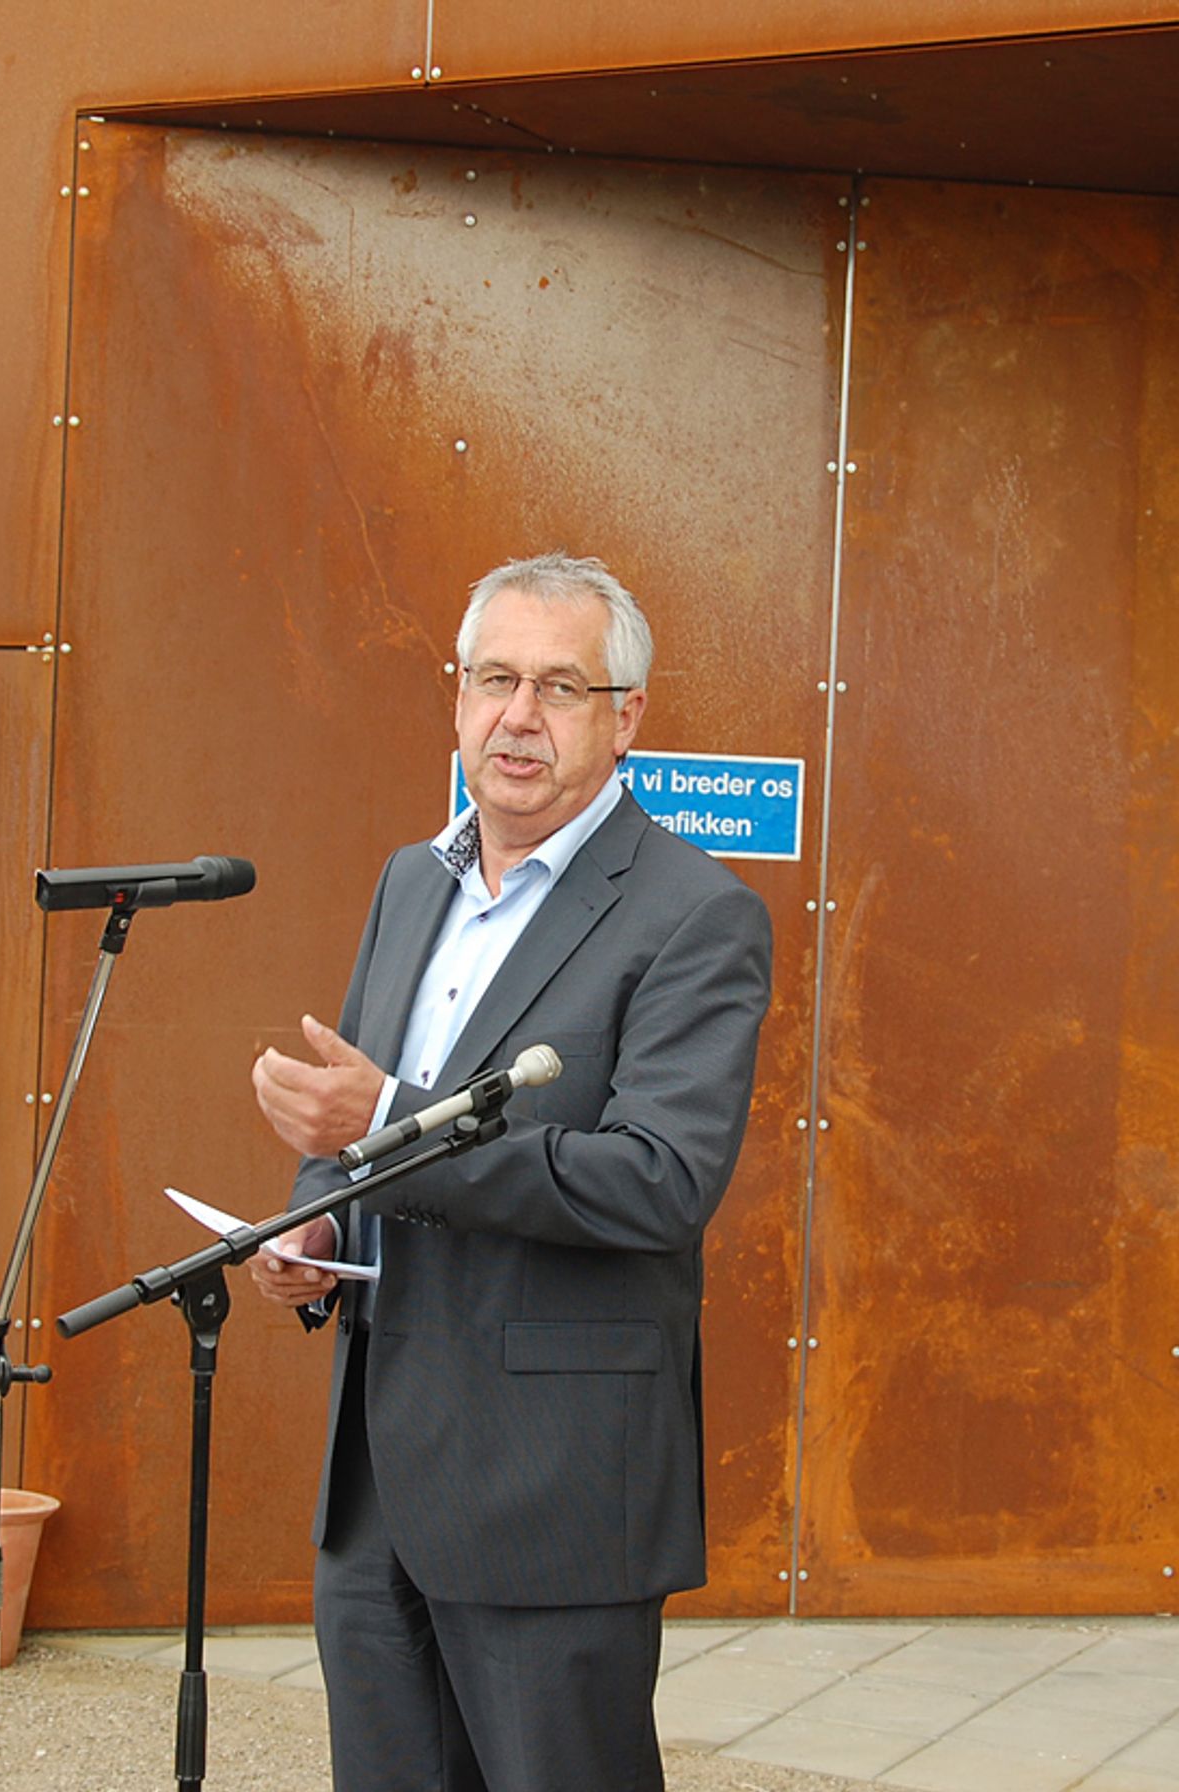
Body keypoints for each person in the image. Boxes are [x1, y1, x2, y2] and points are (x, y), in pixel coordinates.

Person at [247, 553, 774, 1792]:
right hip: (377, 1478)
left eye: (558, 686)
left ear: (624, 717)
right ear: (457, 697)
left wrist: (388, 1120)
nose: (517, 716)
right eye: (493, 679)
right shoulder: (409, 880)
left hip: (554, 1489)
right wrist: (315, 1229)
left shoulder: (693, 914)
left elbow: (656, 1179)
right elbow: (356, 1137)